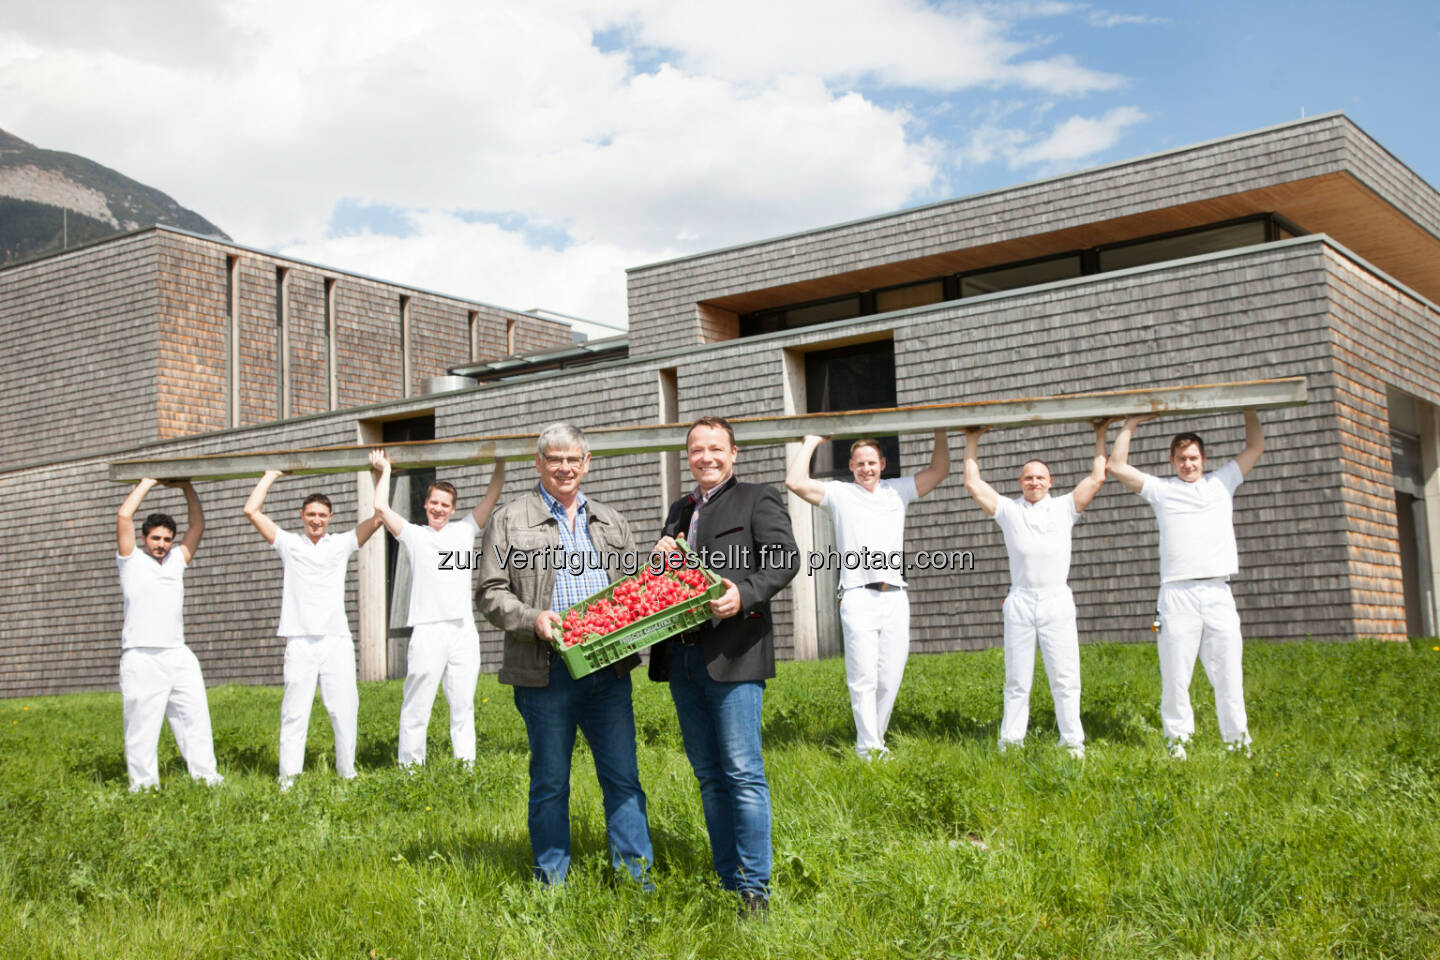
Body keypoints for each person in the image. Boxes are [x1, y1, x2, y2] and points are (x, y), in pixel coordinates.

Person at [477, 423, 653, 886]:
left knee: (623, 778)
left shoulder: (613, 520)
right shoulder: (509, 519)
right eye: (554, 459)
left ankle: (635, 880)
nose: (564, 467)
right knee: (551, 783)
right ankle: (552, 883)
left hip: (609, 669)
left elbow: (633, 590)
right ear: (539, 464)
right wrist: (533, 619)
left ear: (587, 463)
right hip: (545, 669)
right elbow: (491, 593)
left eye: (573, 459)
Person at [650, 415, 798, 918]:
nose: (706, 457)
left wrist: (745, 594)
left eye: (716, 448)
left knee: (742, 772)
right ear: (687, 457)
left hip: (734, 653)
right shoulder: (679, 509)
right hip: (684, 658)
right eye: (697, 450)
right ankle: (726, 876)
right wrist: (659, 561)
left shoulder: (759, 498)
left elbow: (784, 560)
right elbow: (668, 583)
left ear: (733, 453)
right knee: (709, 774)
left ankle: (755, 889)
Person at [1107, 409, 1265, 759]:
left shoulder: (1222, 481)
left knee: (1228, 675)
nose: (1188, 464)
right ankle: (1178, 745)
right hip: (1177, 594)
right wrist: (1131, 423)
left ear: (1204, 459)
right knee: (1176, 677)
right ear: (1172, 461)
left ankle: (1238, 744)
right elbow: (1116, 466)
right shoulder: (1163, 490)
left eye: (1193, 457)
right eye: (1181, 458)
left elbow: (1255, 446)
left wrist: (1248, 410)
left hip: (1218, 591)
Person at [784, 432, 949, 758]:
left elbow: (939, 470)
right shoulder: (839, 493)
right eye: (860, 464)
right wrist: (812, 442)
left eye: (872, 463)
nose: (866, 469)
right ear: (851, 466)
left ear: (882, 464)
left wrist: (939, 429)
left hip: (895, 596)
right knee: (863, 678)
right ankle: (869, 747)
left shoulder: (898, 490)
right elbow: (795, 481)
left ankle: (875, 739)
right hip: (858, 595)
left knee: (889, 678)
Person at [962, 420, 1115, 758]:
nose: (1034, 482)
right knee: (1017, 680)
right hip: (1020, 600)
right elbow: (973, 482)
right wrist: (972, 439)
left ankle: (1072, 741)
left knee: (1065, 676)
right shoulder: (1008, 510)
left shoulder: (1065, 508)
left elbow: (1098, 477)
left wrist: (1100, 433)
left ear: (1050, 482)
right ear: (1021, 483)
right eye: (1028, 478)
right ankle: (1011, 742)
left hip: (1056, 600)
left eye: (1040, 477)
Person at [243, 466, 386, 788]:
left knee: (344, 710)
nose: (316, 520)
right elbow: (251, 510)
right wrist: (271, 474)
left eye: (322, 515)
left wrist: (383, 473)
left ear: (331, 517)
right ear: (302, 515)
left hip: (336, 640)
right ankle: (288, 778)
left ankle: (347, 773)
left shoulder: (341, 544)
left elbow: (379, 517)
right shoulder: (288, 544)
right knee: (295, 712)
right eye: (311, 514)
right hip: (300, 641)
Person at [371, 449, 503, 766]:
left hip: (461, 631)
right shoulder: (414, 535)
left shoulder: (464, 530)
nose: (439, 509)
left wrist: (501, 459)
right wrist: (385, 470)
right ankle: (410, 770)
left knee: (462, 705)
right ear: (426, 505)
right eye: (434, 503)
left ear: (453, 508)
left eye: (445, 505)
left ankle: (465, 767)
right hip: (427, 630)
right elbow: (380, 507)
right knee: (417, 703)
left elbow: (492, 495)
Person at [114, 478, 223, 790]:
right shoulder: (130, 561)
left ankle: (207, 778)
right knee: (142, 726)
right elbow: (124, 516)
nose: (161, 543)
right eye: (155, 538)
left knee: (195, 717)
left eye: (166, 539)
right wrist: (148, 482)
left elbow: (198, 526)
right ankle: (144, 787)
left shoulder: (176, 561)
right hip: (141, 655)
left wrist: (186, 487)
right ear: (144, 538)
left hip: (177, 653)